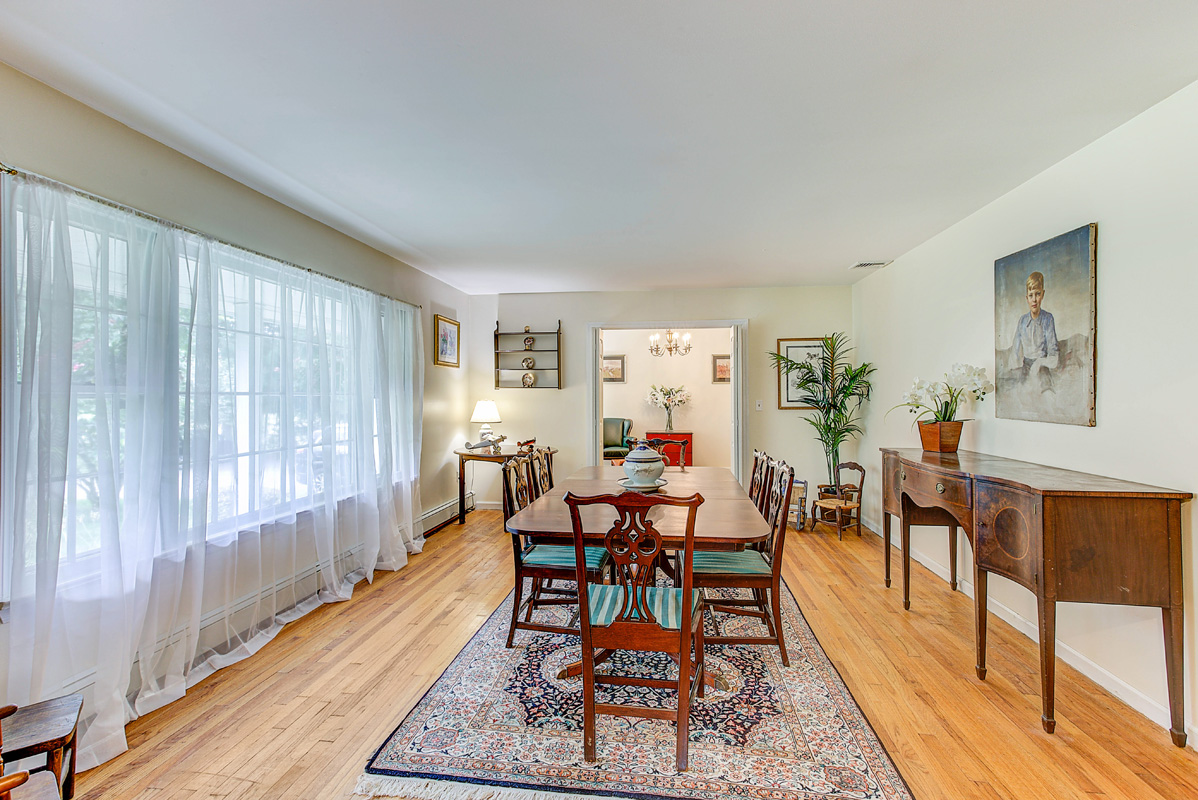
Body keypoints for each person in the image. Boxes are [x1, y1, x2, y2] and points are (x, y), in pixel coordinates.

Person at [1010, 271, 1058, 392]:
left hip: (1042, 367)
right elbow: (1014, 351)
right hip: (1025, 368)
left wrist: (1039, 363)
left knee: (1047, 396)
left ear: (1043, 294)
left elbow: (1054, 357)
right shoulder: (1022, 321)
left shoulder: (1048, 319)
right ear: (1027, 298)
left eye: (1037, 294)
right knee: (1019, 394)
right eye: (1031, 295)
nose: (1034, 300)